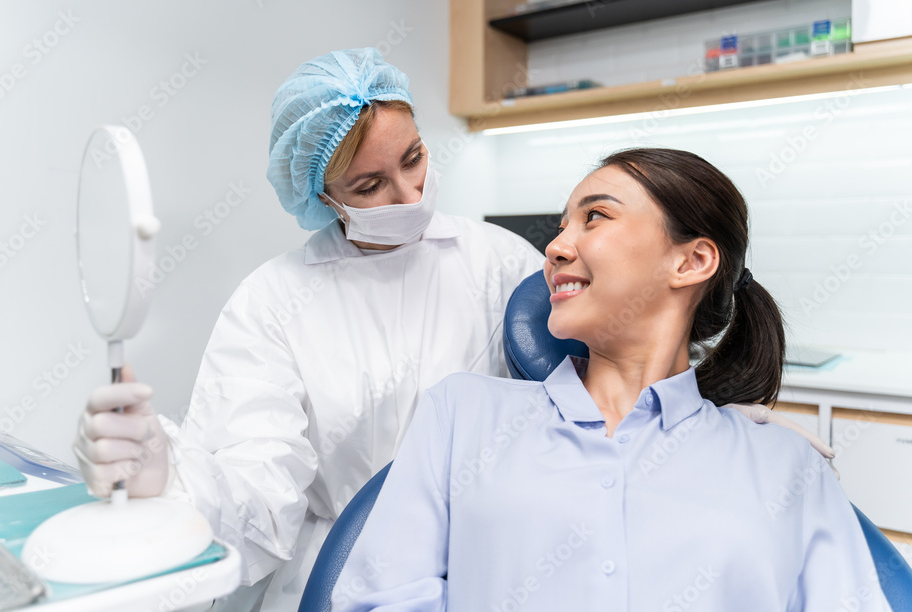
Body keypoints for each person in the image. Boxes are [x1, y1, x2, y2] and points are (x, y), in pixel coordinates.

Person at [71, 48, 545, 611]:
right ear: (322, 196)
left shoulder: (504, 263)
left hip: (489, 567)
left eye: (414, 157)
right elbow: (258, 500)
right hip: (338, 579)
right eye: (369, 186)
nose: (409, 194)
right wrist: (168, 479)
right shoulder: (273, 303)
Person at [332, 148, 890, 611]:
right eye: (561, 227)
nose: (554, 248)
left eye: (595, 216)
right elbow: (383, 597)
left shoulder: (784, 464)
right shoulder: (463, 414)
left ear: (692, 261)